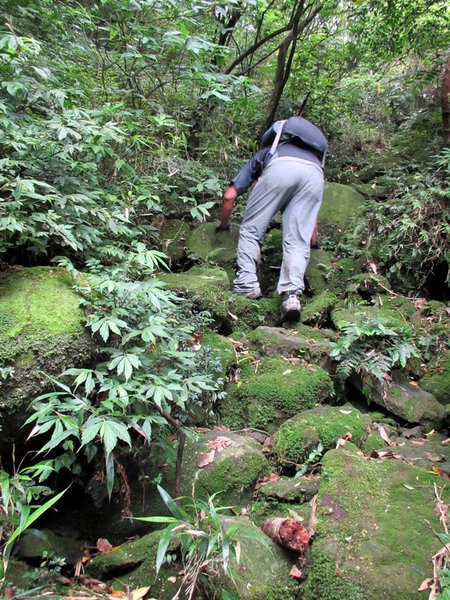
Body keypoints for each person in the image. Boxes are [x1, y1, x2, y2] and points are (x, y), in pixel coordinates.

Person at [216, 115, 328, 322]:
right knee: (297, 241)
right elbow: (310, 221)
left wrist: (223, 226)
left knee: (251, 230)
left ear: (277, 137)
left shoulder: (268, 152)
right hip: (315, 177)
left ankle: (247, 285)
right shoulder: (314, 161)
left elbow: (229, 196)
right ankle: (291, 296)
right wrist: (313, 243)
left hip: (280, 169)